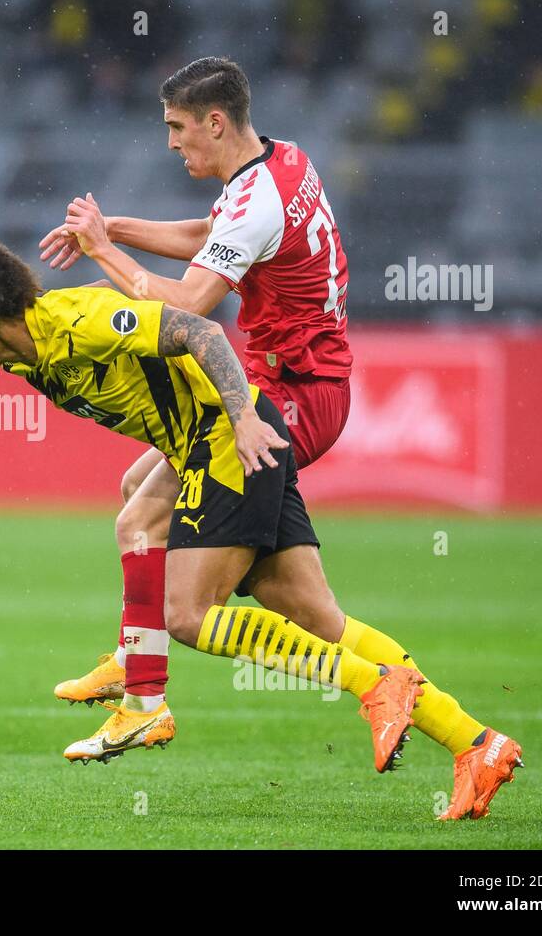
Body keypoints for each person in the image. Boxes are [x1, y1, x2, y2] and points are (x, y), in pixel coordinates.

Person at [0, 236, 522, 820]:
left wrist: (243, 418)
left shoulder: (78, 321)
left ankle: (340, 685)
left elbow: (199, 330)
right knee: (314, 617)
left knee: (187, 613)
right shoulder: (23, 360)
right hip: (207, 439)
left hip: (232, 435)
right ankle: (477, 743)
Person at [38, 56, 356, 738]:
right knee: (307, 607)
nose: (172, 142)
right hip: (286, 381)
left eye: (178, 127)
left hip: (293, 396)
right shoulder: (280, 165)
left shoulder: (259, 199)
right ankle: (432, 712)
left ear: (216, 121)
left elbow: (187, 305)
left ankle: (142, 682)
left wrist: (103, 254)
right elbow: (211, 240)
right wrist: (114, 228)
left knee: (161, 560)